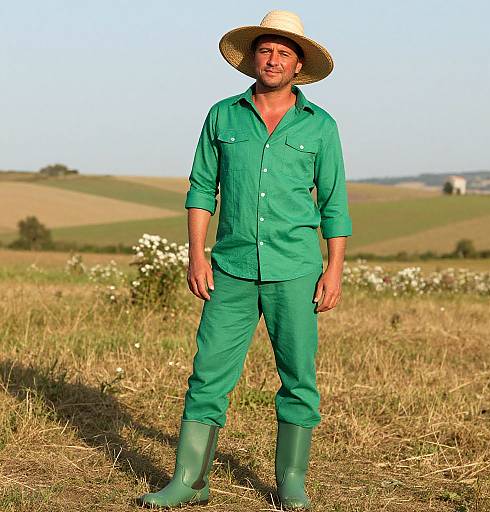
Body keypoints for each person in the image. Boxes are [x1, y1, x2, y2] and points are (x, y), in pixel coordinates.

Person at [136, 9, 352, 510]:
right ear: (253, 58)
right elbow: (200, 189)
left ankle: (291, 483)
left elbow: (334, 204)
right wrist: (197, 255)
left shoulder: (321, 126)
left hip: (295, 269)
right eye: (266, 50)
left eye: (284, 53)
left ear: (299, 66)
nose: (273, 60)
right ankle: (189, 481)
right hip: (230, 267)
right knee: (207, 374)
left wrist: (334, 268)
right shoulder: (222, 115)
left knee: (298, 376)